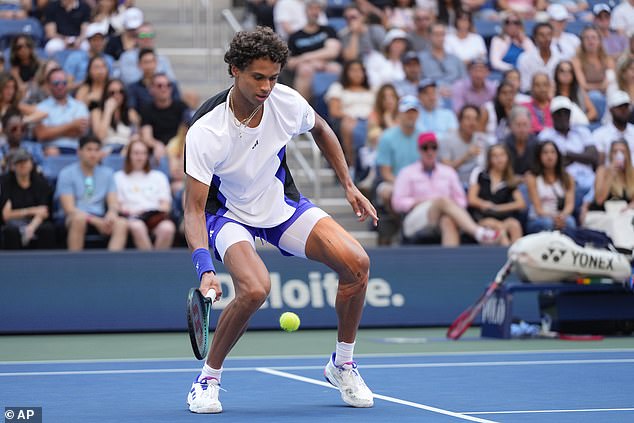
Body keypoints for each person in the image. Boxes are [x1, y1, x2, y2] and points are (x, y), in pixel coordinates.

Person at [183, 27, 377, 414]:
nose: (267, 87)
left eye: (273, 77)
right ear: (234, 70)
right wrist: (204, 268)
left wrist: (348, 185)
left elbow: (321, 128)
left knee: (357, 264)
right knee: (255, 288)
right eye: (258, 77)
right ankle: (207, 379)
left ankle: (342, 364)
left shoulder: (285, 101)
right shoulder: (206, 131)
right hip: (228, 215)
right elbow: (192, 208)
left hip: (280, 207)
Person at [391, 132, 500, 245]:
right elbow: (397, 202)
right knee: (442, 201)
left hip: (446, 213)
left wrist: (445, 206)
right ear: (419, 150)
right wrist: (422, 202)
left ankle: (451, 262)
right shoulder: (407, 173)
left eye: (433, 147)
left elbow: (461, 201)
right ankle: (477, 232)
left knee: (447, 221)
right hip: (416, 217)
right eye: (425, 148)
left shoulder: (448, 172)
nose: (430, 152)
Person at [55, 134, 128, 251]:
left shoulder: (108, 173)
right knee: (79, 219)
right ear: (79, 152)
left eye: (96, 150)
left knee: (121, 223)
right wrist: (94, 220)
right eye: (89, 149)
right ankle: (75, 264)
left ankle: (113, 264)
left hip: (100, 215)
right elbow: (69, 209)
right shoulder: (66, 173)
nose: (93, 154)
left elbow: (113, 202)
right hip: (74, 217)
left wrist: (112, 213)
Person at [114, 140, 175, 250]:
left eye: (143, 153)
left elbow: (166, 205)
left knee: (168, 228)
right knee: (137, 226)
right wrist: (133, 212)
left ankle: (157, 262)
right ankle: (151, 263)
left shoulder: (158, 177)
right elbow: (117, 205)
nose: (140, 157)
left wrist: (152, 212)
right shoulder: (119, 177)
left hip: (154, 218)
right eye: (136, 153)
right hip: (132, 217)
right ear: (129, 155)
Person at [467, 144, 525, 246]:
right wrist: (483, 204)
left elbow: (520, 204)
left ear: (508, 158)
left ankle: (518, 255)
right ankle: (508, 258)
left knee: (514, 224)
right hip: (482, 218)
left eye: (502, 155)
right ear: (489, 159)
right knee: (499, 229)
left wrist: (497, 208)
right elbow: (472, 199)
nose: (499, 159)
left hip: (503, 218)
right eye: (495, 156)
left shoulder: (510, 180)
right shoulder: (480, 174)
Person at [0, 149, 56, 249]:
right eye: (18, 162)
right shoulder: (5, 183)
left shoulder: (41, 183)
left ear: (31, 164)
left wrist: (30, 228)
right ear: (12, 166)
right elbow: (6, 215)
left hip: (36, 221)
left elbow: (44, 212)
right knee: (11, 231)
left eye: (25, 161)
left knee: (48, 229)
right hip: (13, 223)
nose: (23, 165)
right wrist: (31, 211)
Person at [525, 140, 577, 233]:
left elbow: (570, 204)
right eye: (545, 153)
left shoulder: (567, 177)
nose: (549, 156)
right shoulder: (531, 177)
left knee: (570, 222)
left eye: (553, 152)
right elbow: (538, 209)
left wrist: (562, 216)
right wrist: (553, 217)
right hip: (538, 218)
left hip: (560, 216)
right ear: (539, 156)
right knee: (548, 223)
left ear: (558, 155)